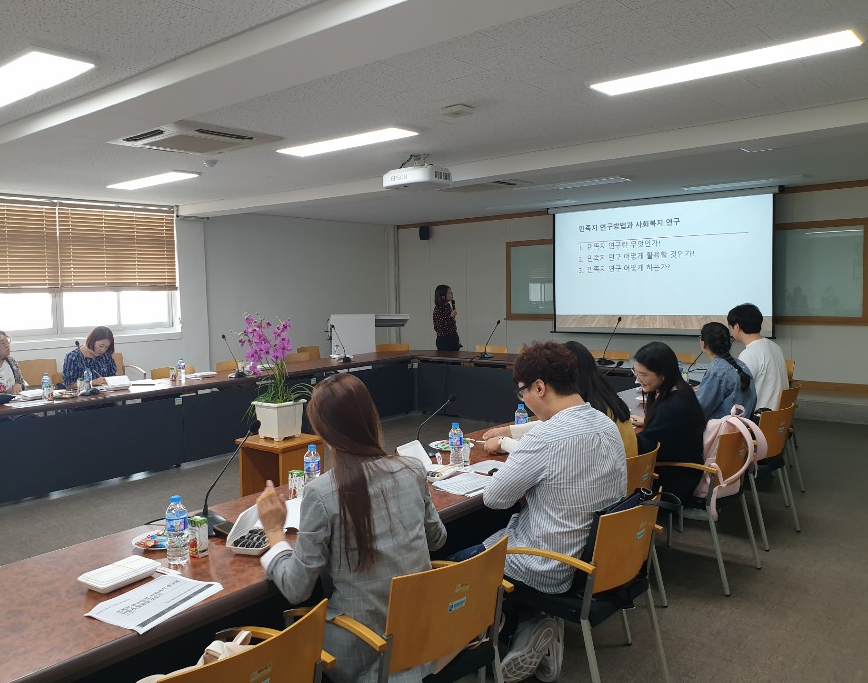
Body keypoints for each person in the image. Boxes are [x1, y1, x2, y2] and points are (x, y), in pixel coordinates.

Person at [257, 373, 447, 683]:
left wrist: (275, 533)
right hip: (418, 638)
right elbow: (437, 539)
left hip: (361, 650)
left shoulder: (322, 493)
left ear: (324, 432)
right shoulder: (412, 468)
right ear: (371, 417)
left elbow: (296, 589)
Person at [479, 342, 626, 683]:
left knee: (461, 560)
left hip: (550, 565)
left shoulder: (545, 437)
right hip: (599, 560)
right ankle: (532, 624)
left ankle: (499, 639)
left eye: (523, 392)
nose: (524, 400)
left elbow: (494, 499)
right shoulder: (605, 422)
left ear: (540, 387)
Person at [482, 340, 638, 457]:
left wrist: (504, 442)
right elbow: (556, 425)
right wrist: (509, 431)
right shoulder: (602, 397)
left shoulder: (593, 415)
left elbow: (545, 451)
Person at [630, 341, 706, 502]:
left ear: (663, 374)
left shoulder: (673, 405)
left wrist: (621, 433)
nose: (638, 379)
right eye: (636, 373)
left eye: (643, 375)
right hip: (678, 468)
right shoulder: (680, 389)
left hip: (675, 479)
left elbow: (645, 449)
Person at [727, 303, 789, 411]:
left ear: (736, 327)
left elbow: (737, 391)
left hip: (759, 416)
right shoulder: (774, 346)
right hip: (776, 414)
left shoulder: (749, 354)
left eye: (730, 327)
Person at [695, 322, 756, 419]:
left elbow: (698, 410)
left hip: (722, 427)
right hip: (743, 426)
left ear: (704, 344)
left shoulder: (716, 372)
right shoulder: (741, 366)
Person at [432, 284, 461, 351]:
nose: (452, 294)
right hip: (444, 341)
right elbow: (440, 329)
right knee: (447, 358)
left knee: (456, 357)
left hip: (453, 337)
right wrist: (451, 317)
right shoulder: (438, 309)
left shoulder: (447, 306)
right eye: (449, 292)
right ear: (443, 296)